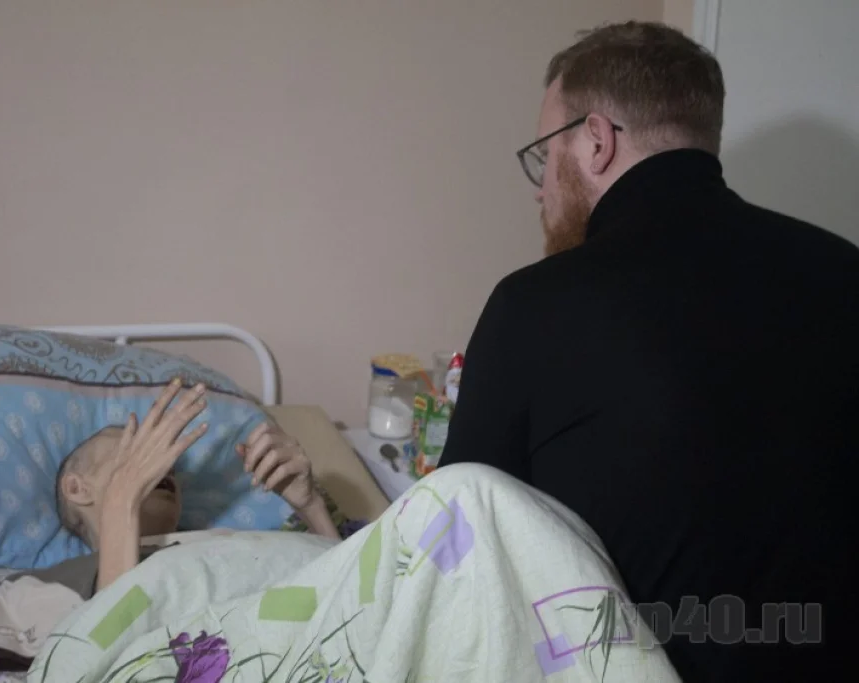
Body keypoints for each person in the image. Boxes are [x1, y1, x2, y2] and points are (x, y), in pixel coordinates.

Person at [437, 20, 858, 682]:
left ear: (596, 140)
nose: (541, 187)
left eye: (545, 154)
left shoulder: (536, 304)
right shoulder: (845, 271)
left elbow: (449, 553)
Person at [56, 377, 341, 591]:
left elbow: (348, 596)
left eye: (165, 465)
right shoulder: (58, 582)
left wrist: (311, 507)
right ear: (76, 488)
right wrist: (122, 501)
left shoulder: (229, 542)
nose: (163, 469)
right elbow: (101, 646)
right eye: (134, 454)